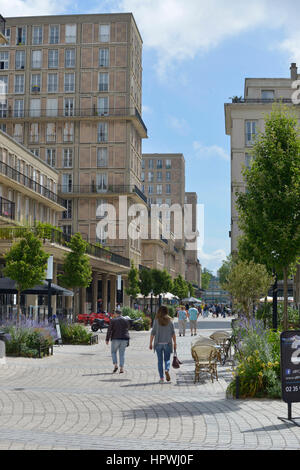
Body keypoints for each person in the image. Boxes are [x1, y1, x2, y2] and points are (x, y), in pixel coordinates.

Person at [149, 305, 177, 383]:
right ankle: (167, 369)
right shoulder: (170, 320)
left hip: (158, 344)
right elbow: (173, 333)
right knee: (167, 359)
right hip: (167, 343)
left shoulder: (156, 320)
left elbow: (153, 333)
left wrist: (150, 343)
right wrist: (175, 343)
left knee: (160, 361)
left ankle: (161, 378)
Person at [106, 309, 130, 374]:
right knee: (122, 354)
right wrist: (128, 340)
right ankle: (121, 368)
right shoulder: (126, 320)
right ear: (121, 313)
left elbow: (109, 330)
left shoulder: (113, 320)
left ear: (116, 314)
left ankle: (115, 365)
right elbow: (127, 330)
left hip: (115, 338)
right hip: (124, 339)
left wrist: (107, 339)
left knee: (113, 352)